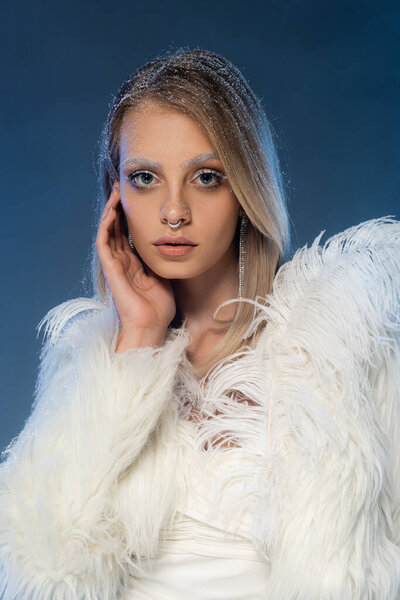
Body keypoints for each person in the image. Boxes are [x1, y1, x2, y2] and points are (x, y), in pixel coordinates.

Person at [0, 47, 399, 600]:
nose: (173, 211)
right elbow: (37, 573)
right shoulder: (93, 362)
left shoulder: (342, 343)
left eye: (206, 177)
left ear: (245, 190)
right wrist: (138, 340)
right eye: (144, 178)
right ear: (115, 198)